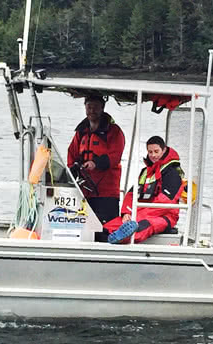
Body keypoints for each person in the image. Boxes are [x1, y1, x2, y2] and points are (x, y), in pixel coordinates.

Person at [104, 136, 184, 244]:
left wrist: (138, 214)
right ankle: (107, 235)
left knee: (144, 226)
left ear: (164, 150)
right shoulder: (145, 172)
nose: (153, 155)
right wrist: (126, 213)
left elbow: (166, 202)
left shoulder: (172, 174)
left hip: (164, 216)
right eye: (150, 152)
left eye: (156, 151)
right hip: (140, 212)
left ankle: (120, 238)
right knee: (107, 227)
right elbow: (132, 194)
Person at [67, 95, 125, 224]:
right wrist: (72, 170)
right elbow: (72, 153)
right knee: (83, 225)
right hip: (84, 190)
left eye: (95, 107)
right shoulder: (81, 132)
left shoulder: (114, 131)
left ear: (102, 108)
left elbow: (115, 156)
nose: (92, 110)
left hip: (107, 192)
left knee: (107, 227)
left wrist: (96, 163)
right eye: (89, 107)